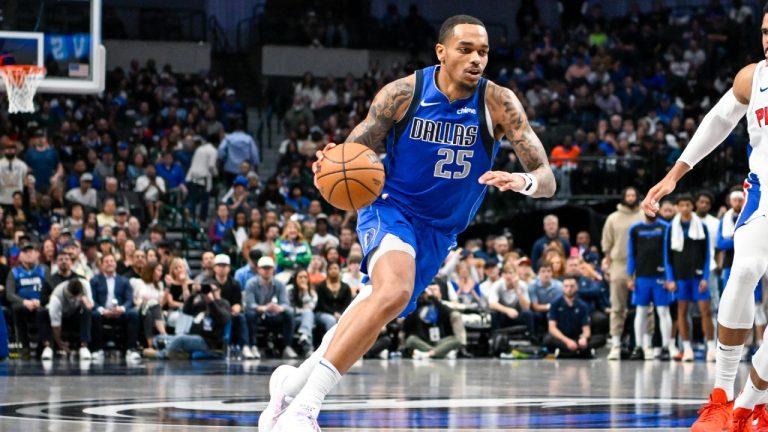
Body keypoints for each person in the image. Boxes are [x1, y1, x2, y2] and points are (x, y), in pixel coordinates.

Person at [262, 15, 555, 431]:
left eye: (483, 52)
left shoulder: (499, 103)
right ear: (441, 52)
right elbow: (353, 152)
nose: (476, 59)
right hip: (390, 206)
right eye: (466, 49)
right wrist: (329, 162)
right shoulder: (403, 93)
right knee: (394, 291)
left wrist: (522, 180)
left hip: (439, 231)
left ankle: (287, 388)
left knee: (373, 309)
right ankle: (304, 410)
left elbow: (547, 178)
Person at [640, 10, 768, 423]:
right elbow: (718, 120)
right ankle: (721, 398)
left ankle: (751, 405)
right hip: (762, 192)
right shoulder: (753, 77)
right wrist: (674, 175)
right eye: (766, 32)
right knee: (744, 270)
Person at [664, 195, 714, 363]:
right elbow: (667, 257)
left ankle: (711, 348)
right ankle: (687, 348)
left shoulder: (703, 227)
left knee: (705, 312)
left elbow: (707, 255)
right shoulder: (671, 228)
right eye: (682, 205)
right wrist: (670, 279)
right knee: (682, 313)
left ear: (692, 207)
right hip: (680, 277)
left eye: (687, 205)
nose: (685, 208)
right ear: (677, 207)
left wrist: (706, 277)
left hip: (698, 277)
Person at [601, 186, 643, 360]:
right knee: (617, 306)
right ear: (623, 197)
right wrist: (607, 263)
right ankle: (616, 344)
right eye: (628, 195)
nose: (631, 197)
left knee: (645, 308)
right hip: (619, 264)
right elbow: (607, 245)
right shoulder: (613, 218)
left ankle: (643, 345)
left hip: (642, 265)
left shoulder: (643, 216)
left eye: (634, 195)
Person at [627, 212, 674, 361]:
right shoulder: (635, 229)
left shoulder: (666, 227)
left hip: (661, 277)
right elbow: (631, 253)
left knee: (663, 312)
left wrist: (670, 277)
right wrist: (630, 276)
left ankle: (666, 347)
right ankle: (639, 347)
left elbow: (670, 254)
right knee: (640, 312)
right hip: (641, 277)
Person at [90, 254, 140, 361]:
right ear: (102, 265)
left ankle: (131, 349)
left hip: (119, 312)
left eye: (112, 261)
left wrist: (121, 309)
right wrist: (102, 310)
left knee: (133, 314)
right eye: (106, 261)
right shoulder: (95, 280)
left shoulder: (124, 280)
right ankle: (97, 349)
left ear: (116, 264)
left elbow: (129, 300)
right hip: (103, 312)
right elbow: (92, 300)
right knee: (94, 314)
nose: (109, 263)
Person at [244, 256, 297, 359]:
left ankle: (287, 346)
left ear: (273, 269)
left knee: (288, 313)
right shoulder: (251, 283)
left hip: (272, 313)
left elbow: (285, 303)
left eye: (269, 268)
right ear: (259, 269)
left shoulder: (279, 284)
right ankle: (253, 346)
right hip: (258, 313)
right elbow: (250, 304)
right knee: (250, 314)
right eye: (264, 268)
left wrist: (279, 308)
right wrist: (263, 308)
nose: (267, 271)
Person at [5, 241, 49, 359]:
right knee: (17, 309)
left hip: (40, 304)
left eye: (31, 251)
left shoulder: (44, 270)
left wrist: (40, 302)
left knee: (44, 311)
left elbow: (51, 290)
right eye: (25, 252)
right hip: (22, 305)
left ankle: (44, 347)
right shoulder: (13, 272)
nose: (29, 254)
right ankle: (24, 347)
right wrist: (24, 302)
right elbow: (9, 294)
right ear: (20, 256)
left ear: (37, 254)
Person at [544, 275, 599, 359]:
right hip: (562, 337)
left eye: (572, 286)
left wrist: (583, 338)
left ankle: (567, 352)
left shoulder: (583, 306)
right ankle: (579, 352)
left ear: (577, 287)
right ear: (562, 288)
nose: (569, 289)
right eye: (566, 286)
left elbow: (586, 329)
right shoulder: (555, 304)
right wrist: (567, 341)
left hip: (577, 337)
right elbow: (552, 328)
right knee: (548, 339)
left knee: (600, 339)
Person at [403, 284, 462, 359]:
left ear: (440, 293)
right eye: (430, 290)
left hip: (440, 341)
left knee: (457, 340)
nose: (432, 292)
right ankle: (440, 353)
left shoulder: (442, 306)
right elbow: (409, 323)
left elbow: (446, 313)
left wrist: (434, 299)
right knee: (410, 340)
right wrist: (420, 298)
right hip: (424, 341)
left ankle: (428, 354)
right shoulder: (419, 306)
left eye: (435, 290)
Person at [130, 261, 167, 349]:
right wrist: (142, 301)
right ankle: (164, 334)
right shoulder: (137, 282)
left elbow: (160, 303)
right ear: (151, 271)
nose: (160, 273)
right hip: (139, 308)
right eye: (158, 270)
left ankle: (150, 344)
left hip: (153, 311)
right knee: (150, 306)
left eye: (161, 271)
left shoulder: (160, 285)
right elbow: (133, 300)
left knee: (150, 311)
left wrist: (168, 287)